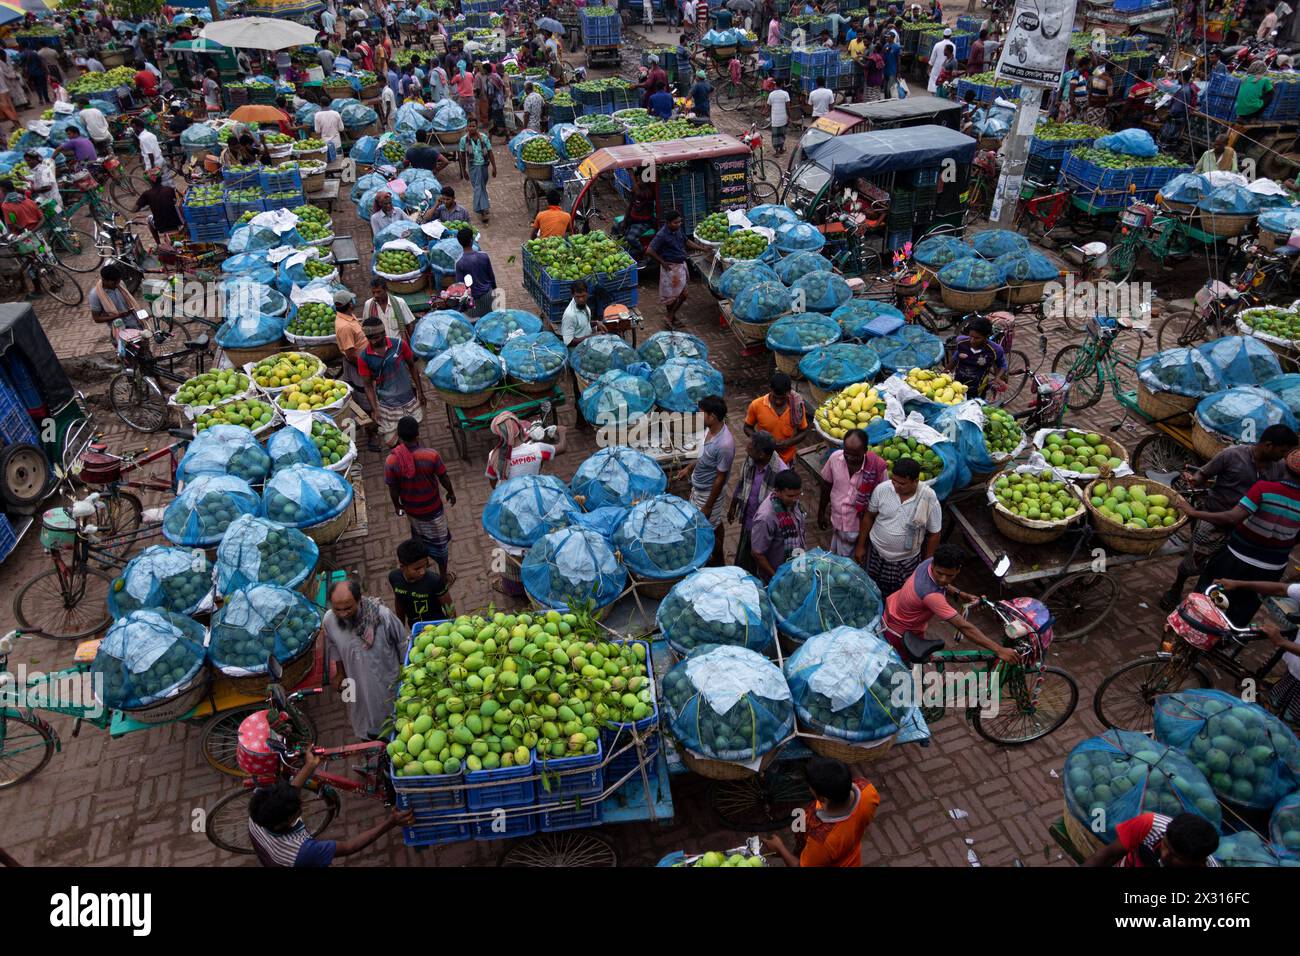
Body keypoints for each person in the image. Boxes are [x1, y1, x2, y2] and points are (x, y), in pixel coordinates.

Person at [1159, 425, 1296, 611]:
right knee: (1194, 561)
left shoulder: (1279, 467)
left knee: (1219, 568)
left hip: (1244, 529)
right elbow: (1204, 473)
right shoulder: (1232, 455)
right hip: (1213, 518)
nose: (1285, 455)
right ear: (1269, 445)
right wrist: (1195, 479)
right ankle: (1176, 587)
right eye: (1283, 450)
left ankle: (1204, 598)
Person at [1178, 447, 1300, 626]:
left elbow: (1232, 517)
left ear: (1284, 466)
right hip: (1272, 568)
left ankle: (1192, 629)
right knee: (1244, 606)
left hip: (1237, 557)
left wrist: (1194, 513)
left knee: (1209, 596)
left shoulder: (1264, 489)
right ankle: (1223, 641)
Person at [248, 752, 414, 866]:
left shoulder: (258, 815)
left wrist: (309, 765)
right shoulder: (304, 852)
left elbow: (289, 794)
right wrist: (391, 822)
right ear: (285, 822)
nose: (302, 804)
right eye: (298, 809)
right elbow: (349, 847)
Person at [882, 544, 1021, 663]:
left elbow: (941, 585)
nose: (943, 579)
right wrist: (999, 650)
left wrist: (960, 594)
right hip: (900, 632)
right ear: (933, 565)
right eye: (940, 573)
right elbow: (964, 627)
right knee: (901, 665)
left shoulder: (929, 563)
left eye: (950, 576)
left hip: (892, 612)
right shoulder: (932, 596)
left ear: (959, 569)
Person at [322, 578, 409, 740]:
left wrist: (408, 675)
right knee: (362, 720)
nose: (343, 614)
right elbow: (334, 647)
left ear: (359, 600)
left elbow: (404, 643)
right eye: (337, 609)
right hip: (354, 684)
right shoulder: (329, 620)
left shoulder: (382, 616)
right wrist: (340, 673)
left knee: (396, 722)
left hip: (386, 681)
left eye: (348, 608)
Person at [1208, 578, 1300, 722]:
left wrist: (1282, 642)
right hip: (1294, 670)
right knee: (1274, 704)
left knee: (1291, 723)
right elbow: (1281, 589)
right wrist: (1238, 583)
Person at [762, 757, 880, 866]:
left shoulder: (822, 842)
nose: (809, 789)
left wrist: (780, 848)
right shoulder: (868, 791)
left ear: (823, 798)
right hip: (851, 855)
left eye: (810, 787)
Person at [856, 456, 941, 595]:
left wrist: (926, 565)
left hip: (905, 560)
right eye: (894, 481)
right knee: (870, 586)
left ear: (915, 481)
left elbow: (934, 534)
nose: (896, 486)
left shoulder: (928, 498)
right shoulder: (883, 489)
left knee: (898, 593)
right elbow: (869, 517)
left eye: (902, 483)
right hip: (876, 553)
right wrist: (860, 546)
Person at [385, 415, 457, 578]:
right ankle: (443, 576)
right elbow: (443, 477)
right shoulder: (431, 455)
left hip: (412, 510)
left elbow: (393, 488)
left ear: (398, 436)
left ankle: (420, 568)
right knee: (440, 546)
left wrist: (397, 505)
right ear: (418, 435)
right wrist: (450, 492)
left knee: (419, 539)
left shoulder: (391, 461)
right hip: (433, 510)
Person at [675, 394, 734, 565]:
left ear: (712, 416)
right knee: (714, 525)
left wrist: (708, 506)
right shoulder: (711, 431)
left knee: (706, 529)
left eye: (702, 413)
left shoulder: (724, 445)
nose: (699, 416)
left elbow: (720, 478)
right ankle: (718, 549)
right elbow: (703, 455)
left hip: (708, 493)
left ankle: (720, 562)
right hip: (699, 488)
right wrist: (688, 468)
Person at [358, 315, 426, 448]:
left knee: (412, 434)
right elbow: (367, 385)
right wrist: (374, 409)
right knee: (392, 441)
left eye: (376, 337)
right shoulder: (364, 357)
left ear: (383, 333)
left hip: (408, 399)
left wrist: (420, 392)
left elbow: (412, 366)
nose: (373, 341)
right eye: (369, 338)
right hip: (386, 404)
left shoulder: (399, 344)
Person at [819, 429, 889, 557]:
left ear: (865, 450)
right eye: (847, 453)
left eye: (855, 455)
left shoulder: (877, 469)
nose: (850, 458)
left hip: (859, 528)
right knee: (836, 559)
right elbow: (826, 486)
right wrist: (821, 513)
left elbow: (882, 502)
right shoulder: (835, 458)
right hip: (837, 521)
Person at [729, 430, 788, 572]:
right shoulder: (752, 459)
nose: (746, 448)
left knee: (758, 559)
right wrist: (733, 504)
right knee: (744, 555)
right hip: (748, 518)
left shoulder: (780, 472)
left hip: (764, 526)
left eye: (750, 447)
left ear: (762, 454)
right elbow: (742, 482)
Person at [1084, 812, 1221, 868]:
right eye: (1165, 845)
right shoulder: (1150, 824)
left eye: (1175, 856)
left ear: (1198, 862)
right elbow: (1108, 854)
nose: (1164, 855)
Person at [749, 469, 807, 581]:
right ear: (777, 491)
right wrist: (777, 578)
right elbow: (757, 553)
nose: (795, 500)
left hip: (795, 564)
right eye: (790, 496)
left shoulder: (792, 503)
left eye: (798, 495)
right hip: (777, 573)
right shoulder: (766, 518)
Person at [744, 371, 809, 465]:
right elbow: (747, 427)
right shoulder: (756, 405)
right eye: (775, 397)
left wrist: (788, 443)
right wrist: (760, 441)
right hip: (762, 459)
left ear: (788, 392)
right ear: (770, 389)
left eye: (782, 398)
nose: (778, 401)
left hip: (786, 460)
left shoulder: (797, 407)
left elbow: (803, 431)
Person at [389, 537, 452, 626]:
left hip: (438, 626)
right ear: (402, 567)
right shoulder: (394, 577)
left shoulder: (435, 581)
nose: (422, 572)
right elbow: (399, 600)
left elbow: (449, 607)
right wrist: (400, 626)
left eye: (425, 565)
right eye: (417, 569)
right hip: (416, 626)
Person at [945, 315, 1007, 399]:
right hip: (957, 384)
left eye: (977, 338)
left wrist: (998, 377)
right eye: (971, 336)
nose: (972, 340)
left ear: (987, 336)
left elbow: (1002, 365)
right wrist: (944, 373)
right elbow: (955, 358)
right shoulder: (961, 342)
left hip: (977, 389)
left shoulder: (995, 350)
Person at [458, 116, 496, 224]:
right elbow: (462, 156)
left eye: (473, 126)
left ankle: (481, 207)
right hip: (473, 166)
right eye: (469, 126)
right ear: (467, 127)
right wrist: (463, 170)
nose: (471, 128)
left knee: (481, 186)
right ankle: (484, 211)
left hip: (484, 165)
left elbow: (490, 152)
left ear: (477, 127)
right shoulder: (463, 140)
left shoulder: (484, 137)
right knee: (479, 187)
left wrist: (494, 167)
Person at [454, 225, 497, 316]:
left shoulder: (459, 263)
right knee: (490, 319)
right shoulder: (484, 256)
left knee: (476, 322)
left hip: (472, 299)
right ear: (471, 240)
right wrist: (494, 290)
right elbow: (491, 276)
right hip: (487, 295)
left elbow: (461, 286)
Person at [88, 262, 143, 328]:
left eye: (118, 282)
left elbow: (128, 300)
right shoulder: (95, 295)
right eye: (113, 283)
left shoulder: (120, 284)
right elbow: (97, 319)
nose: (117, 285)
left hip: (135, 322)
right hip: (118, 327)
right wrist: (119, 316)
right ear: (104, 280)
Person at [134, 168, 182, 243]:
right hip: (176, 222)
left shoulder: (147, 194)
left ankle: (158, 243)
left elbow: (135, 209)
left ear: (149, 182)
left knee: (149, 219)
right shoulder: (169, 189)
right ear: (161, 179)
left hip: (160, 225)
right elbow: (179, 199)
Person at [362, 276, 415, 342]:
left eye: (378, 292)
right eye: (373, 293)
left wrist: (410, 343)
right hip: (380, 347)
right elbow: (366, 327)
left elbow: (409, 324)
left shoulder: (399, 302)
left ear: (386, 290)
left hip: (399, 345)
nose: (376, 295)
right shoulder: (368, 305)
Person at [560, 280, 605, 347]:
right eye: (578, 297)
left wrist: (596, 323)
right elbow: (568, 342)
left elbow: (582, 324)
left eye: (583, 296)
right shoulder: (570, 315)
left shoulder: (583, 305)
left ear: (587, 293)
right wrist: (593, 336)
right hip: (577, 351)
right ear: (572, 295)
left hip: (588, 344)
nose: (581, 299)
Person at [131, 117, 167, 185]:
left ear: (138, 127)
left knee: (155, 184)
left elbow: (150, 154)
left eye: (134, 128)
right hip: (160, 160)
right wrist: (141, 158)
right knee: (164, 180)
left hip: (153, 164)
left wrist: (152, 169)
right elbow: (145, 150)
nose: (134, 130)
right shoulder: (150, 134)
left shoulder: (143, 138)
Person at [23, 150, 60, 215]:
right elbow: (35, 178)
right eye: (26, 161)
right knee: (56, 218)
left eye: (29, 160)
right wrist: (24, 178)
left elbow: (47, 187)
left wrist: (33, 190)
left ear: (36, 159)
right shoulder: (38, 170)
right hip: (47, 200)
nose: (27, 163)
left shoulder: (43, 170)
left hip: (53, 201)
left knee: (59, 216)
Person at [768, 78, 791, 154]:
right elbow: (788, 107)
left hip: (775, 118)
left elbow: (769, 106)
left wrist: (770, 115)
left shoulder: (771, 94)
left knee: (775, 135)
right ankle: (781, 148)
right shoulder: (785, 94)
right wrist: (789, 116)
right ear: (781, 84)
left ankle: (776, 150)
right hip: (783, 118)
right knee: (782, 134)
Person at [881, 29, 901, 98]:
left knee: (889, 89)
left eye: (888, 37)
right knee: (885, 88)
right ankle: (886, 100)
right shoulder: (885, 46)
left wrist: (898, 71)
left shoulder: (897, 47)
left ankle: (889, 101)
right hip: (885, 70)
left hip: (892, 70)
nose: (887, 38)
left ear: (892, 38)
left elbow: (898, 60)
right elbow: (882, 57)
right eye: (886, 37)